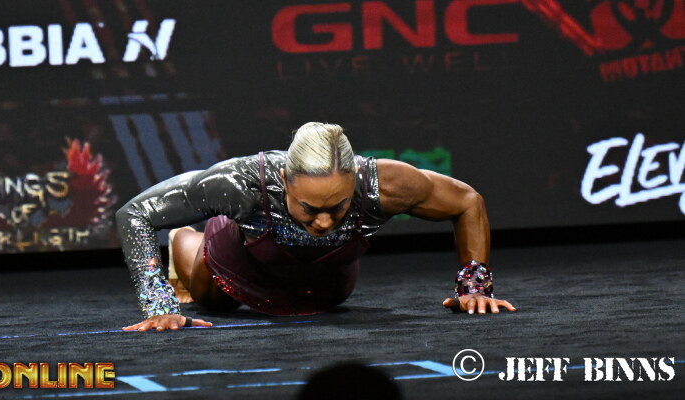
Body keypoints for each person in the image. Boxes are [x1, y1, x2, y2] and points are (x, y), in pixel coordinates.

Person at [116, 122, 516, 332]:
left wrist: (474, 288)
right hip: (236, 270)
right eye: (309, 208)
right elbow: (134, 213)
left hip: (328, 287)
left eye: (337, 207)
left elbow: (467, 201)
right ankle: (187, 239)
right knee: (210, 298)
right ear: (285, 181)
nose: (323, 222)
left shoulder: (385, 185)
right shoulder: (239, 183)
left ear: (353, 182)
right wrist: (159, 306)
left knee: (328, 302)